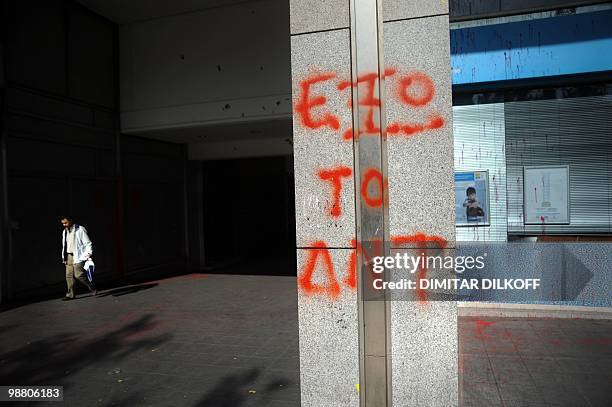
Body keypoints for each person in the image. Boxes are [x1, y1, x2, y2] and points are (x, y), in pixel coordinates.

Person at [60, 216, 96, 300]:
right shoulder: (65, 231)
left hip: (78, 255)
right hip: (68, 256)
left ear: (71, 221)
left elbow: (88, 243)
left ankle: (91, 286)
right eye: (63, 223)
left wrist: (89, 254)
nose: (64, 225)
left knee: (78, 275)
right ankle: (70, 295)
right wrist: (64, 257)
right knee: (68, 276)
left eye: (66, 223)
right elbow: (64, 246)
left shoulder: (80, 229)